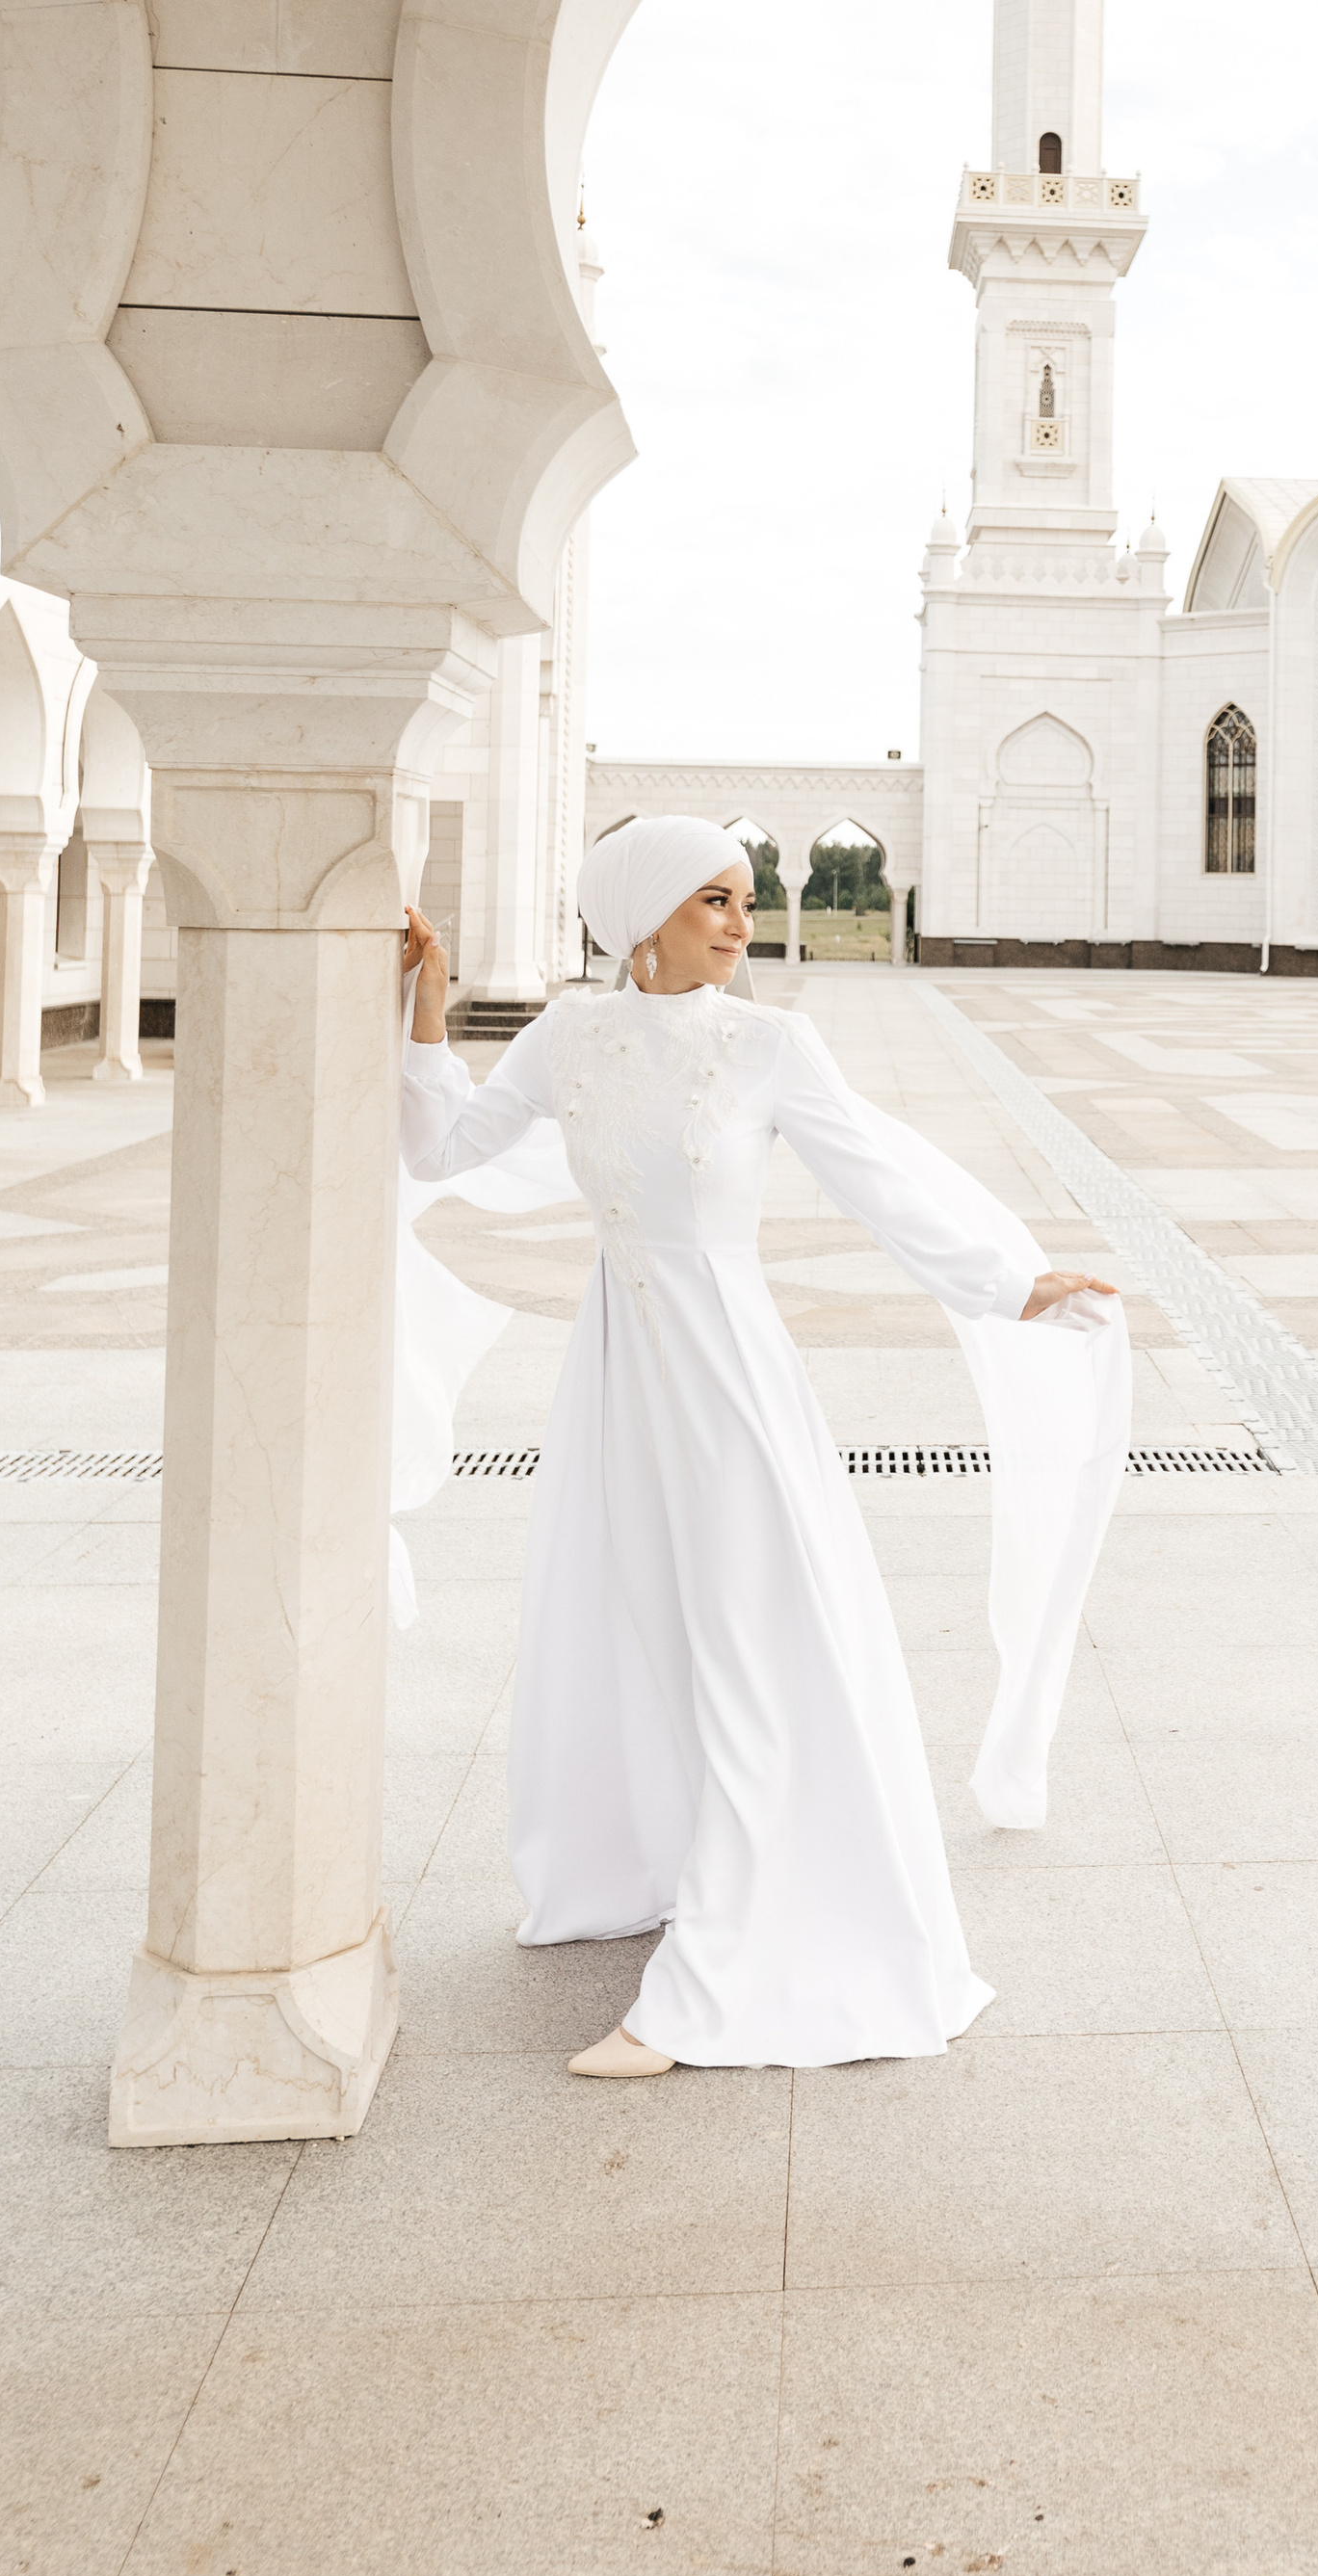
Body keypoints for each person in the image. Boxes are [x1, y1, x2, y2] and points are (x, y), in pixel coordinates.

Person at [395, 815, 1126, 2080]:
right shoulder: (568, 1033)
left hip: (728, 1381)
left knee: (739, 1643)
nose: (738, 925)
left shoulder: (773, 1048)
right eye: (712, 900)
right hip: (619, 1371)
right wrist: (427, 999)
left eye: (742, 901)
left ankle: (709, 1986)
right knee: (631, 1623)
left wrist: (1010, 1284)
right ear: (638, 914)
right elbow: (439, 1150)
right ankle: (661, 1863)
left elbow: (881, 1182)